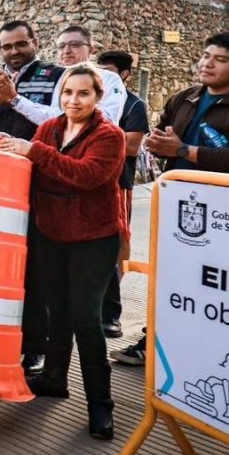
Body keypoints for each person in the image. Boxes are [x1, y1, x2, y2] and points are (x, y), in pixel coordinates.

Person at [114, 31, 229, 367]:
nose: (207, 64)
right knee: (173, 278)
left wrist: (182, 150)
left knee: (223, 284)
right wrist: (159, 145)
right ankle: (156, 340)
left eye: (220, 59)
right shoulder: (185, 97)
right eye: (206, 55)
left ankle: (221, 352)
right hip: (182, 207)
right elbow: (161, 136)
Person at [0, 64, 126, 440]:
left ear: (98, 97)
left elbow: (87, 175)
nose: (74, 100)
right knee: (57, 311)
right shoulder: (50, 128)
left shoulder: (109, 135)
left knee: (86, 318)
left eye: (83, 93)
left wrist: (33, 151)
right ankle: (54, 379)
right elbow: (29, 166)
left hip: (94, 238)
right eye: (68, 93)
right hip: (51, 232)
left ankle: (100, 405)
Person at [0, 20, 64, 376]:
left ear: (35, 42)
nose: (14, 52)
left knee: (36, 267)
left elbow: (60, 120)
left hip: (39, 182)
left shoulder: (57, 75)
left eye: (20, 44)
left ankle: (37, 346)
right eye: (7, 46)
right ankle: (0, 335)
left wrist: (16, 101)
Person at [96, 51, 149, 339]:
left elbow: (130, 146)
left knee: (117, 240)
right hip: (89, 180)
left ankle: (111, 309)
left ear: (125, 74)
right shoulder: (87, 96)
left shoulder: (134, 105)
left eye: (110, 70)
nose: (103, 75)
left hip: (119, 181)